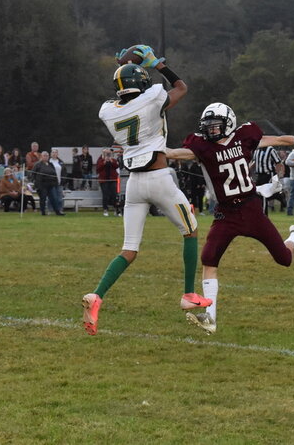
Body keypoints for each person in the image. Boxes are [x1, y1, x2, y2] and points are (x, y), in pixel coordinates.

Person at [166, 102, 294, 334]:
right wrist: (152, 150)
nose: (211, 131)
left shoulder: (245, 136)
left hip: (251, 208)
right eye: (208, 127)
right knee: (209, 258)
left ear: (228, 124)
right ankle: (210, 318)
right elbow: (177, 153)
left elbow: (281, 140)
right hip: (226, 213)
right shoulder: (203, 147)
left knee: (284, 259)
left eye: (216, 127)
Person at [82, 45, 211, 336]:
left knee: (129, 249)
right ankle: (189, 294)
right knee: (190, 231)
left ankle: (97, 295)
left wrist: (122, 67)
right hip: (160, 178)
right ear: (142, 83)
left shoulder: (107, 112)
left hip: (135, 184)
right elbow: (180, 87)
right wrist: (157, 64)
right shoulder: (153, 97)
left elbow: (124, 94)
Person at [253, 144, 282, 214]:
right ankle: (280, 196)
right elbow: (255, 162)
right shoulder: (256, 150)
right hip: (259, 175)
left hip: (268, 174)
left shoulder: (270, 149)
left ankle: (263, 214)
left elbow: (278, 162)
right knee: (256, 193)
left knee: (263, 194)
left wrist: (277, 175)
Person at [32, 151, 64, 216]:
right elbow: (33, 174)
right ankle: (43, 212)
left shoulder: (51, 164)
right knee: (43, 199)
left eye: (47, 155)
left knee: (54, 198)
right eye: (44, 155)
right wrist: (36, 184)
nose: (46, 157)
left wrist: (56, 182)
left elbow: (54, 174)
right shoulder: (38, 165)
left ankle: (57, 212)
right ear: (41, 156)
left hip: (51, 185)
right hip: (42, 185)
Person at [96, 148, 119, 217]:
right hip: (104, 180)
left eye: (109, 153)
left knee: (114, 195)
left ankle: (116, 210)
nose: (108, 155)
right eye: (106, 153)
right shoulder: (100, 160)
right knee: (105, 195)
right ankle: (105, 210)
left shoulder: (113, 160)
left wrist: (111, 161)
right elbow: (98, 169)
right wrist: (104, 162)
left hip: (113, 180)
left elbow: (117, 166)